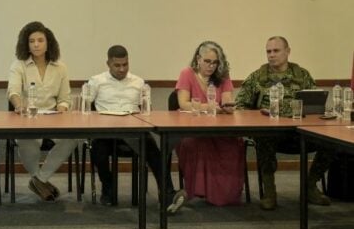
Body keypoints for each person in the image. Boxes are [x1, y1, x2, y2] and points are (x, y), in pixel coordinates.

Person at [235, 36, 333, 210]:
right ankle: (269, 192)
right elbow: (240, 107)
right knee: (264, 139)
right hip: (271, 134)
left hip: (301, 132)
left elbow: (315, 104)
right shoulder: (257, 77)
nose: (271, 55)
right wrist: (258, 117)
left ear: (287, 51)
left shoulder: (302, 75)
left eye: (276, 50)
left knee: (330, 142)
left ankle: (310, 186)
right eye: (268, 51)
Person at [88, 45, 186, 212]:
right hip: (106, 132)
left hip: (133, 132)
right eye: (117, 65)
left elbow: (147, 112)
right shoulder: (96, 81)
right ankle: (108, 188)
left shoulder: (138, 82)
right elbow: (84, 110)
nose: (122, 69)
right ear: (108, 64)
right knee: (97, 149)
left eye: (125, 64)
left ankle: (167, 194)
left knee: (153, 149)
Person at [8, 21, 76, 201]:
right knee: (26, 138)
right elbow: (13, 92)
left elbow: (65, 98)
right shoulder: (19, 65)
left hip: (53, 119)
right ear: (26, 44)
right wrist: (18, 105)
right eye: (31, 41)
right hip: (28, 119)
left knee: (75, 136)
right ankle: (39, 179)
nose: (36, 45)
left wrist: (62, 109)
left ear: (48, 43)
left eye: (40, 40)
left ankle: (39, 179)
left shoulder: (60, 67)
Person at [174, 40, 245, 207]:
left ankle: (225, 194)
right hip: (192, 128)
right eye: (207, 61)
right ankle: (199, 191)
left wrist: (227, 106)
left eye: (215, 62)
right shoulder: (187, 74)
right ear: (198, 59)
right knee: (195, 143)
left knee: (236, 143)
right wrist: (208, 107)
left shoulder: (223, 76)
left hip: (218, 128)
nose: (211, 66)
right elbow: (183, 103)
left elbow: (226, 99)